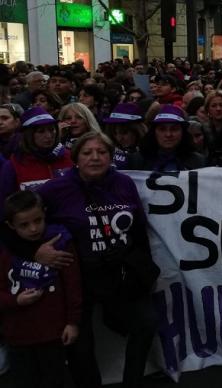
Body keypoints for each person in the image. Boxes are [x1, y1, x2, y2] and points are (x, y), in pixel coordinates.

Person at [35, 131, 159, 388]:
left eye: (102, 152)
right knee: (79, 343)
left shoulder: (123, 183)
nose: (95, 158)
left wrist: (144, 270)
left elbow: (138, 228)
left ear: (111, 158)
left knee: (146, 323)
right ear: (75, 159)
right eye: (87, 153)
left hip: (120, 272)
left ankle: (132, 382)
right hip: (78, 276)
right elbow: (19, 224)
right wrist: (35, 251)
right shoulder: (55, 189)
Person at [0, 190, 81, 388]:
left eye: (38, 220)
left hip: (54, 332)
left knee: (57, 379)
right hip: (17, 333)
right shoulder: (4, 252)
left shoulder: (60, 242)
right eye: (24, 225)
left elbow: (73, 285)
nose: (33, 228)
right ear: (10, 225)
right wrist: (15, 301)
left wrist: (72, 322)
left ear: (45, 213)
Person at [0, 107, 73, 203]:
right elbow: (5, 204)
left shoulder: (70, 157)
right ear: (28, 135)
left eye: (51, 130)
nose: (48, 136)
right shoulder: (13, 165)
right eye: (41, 131)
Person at [127, 105, 205, 171]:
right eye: (162, 129)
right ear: (154, 132)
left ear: (183, 132)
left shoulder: (199, 162)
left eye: (174, 129)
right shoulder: (136, 160)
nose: (168, 134)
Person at [102, 103, 147, 169]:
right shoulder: (106, 151)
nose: (119, 138)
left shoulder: (150, 155)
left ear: (137, 131)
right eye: (115, 133)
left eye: (124, 133)